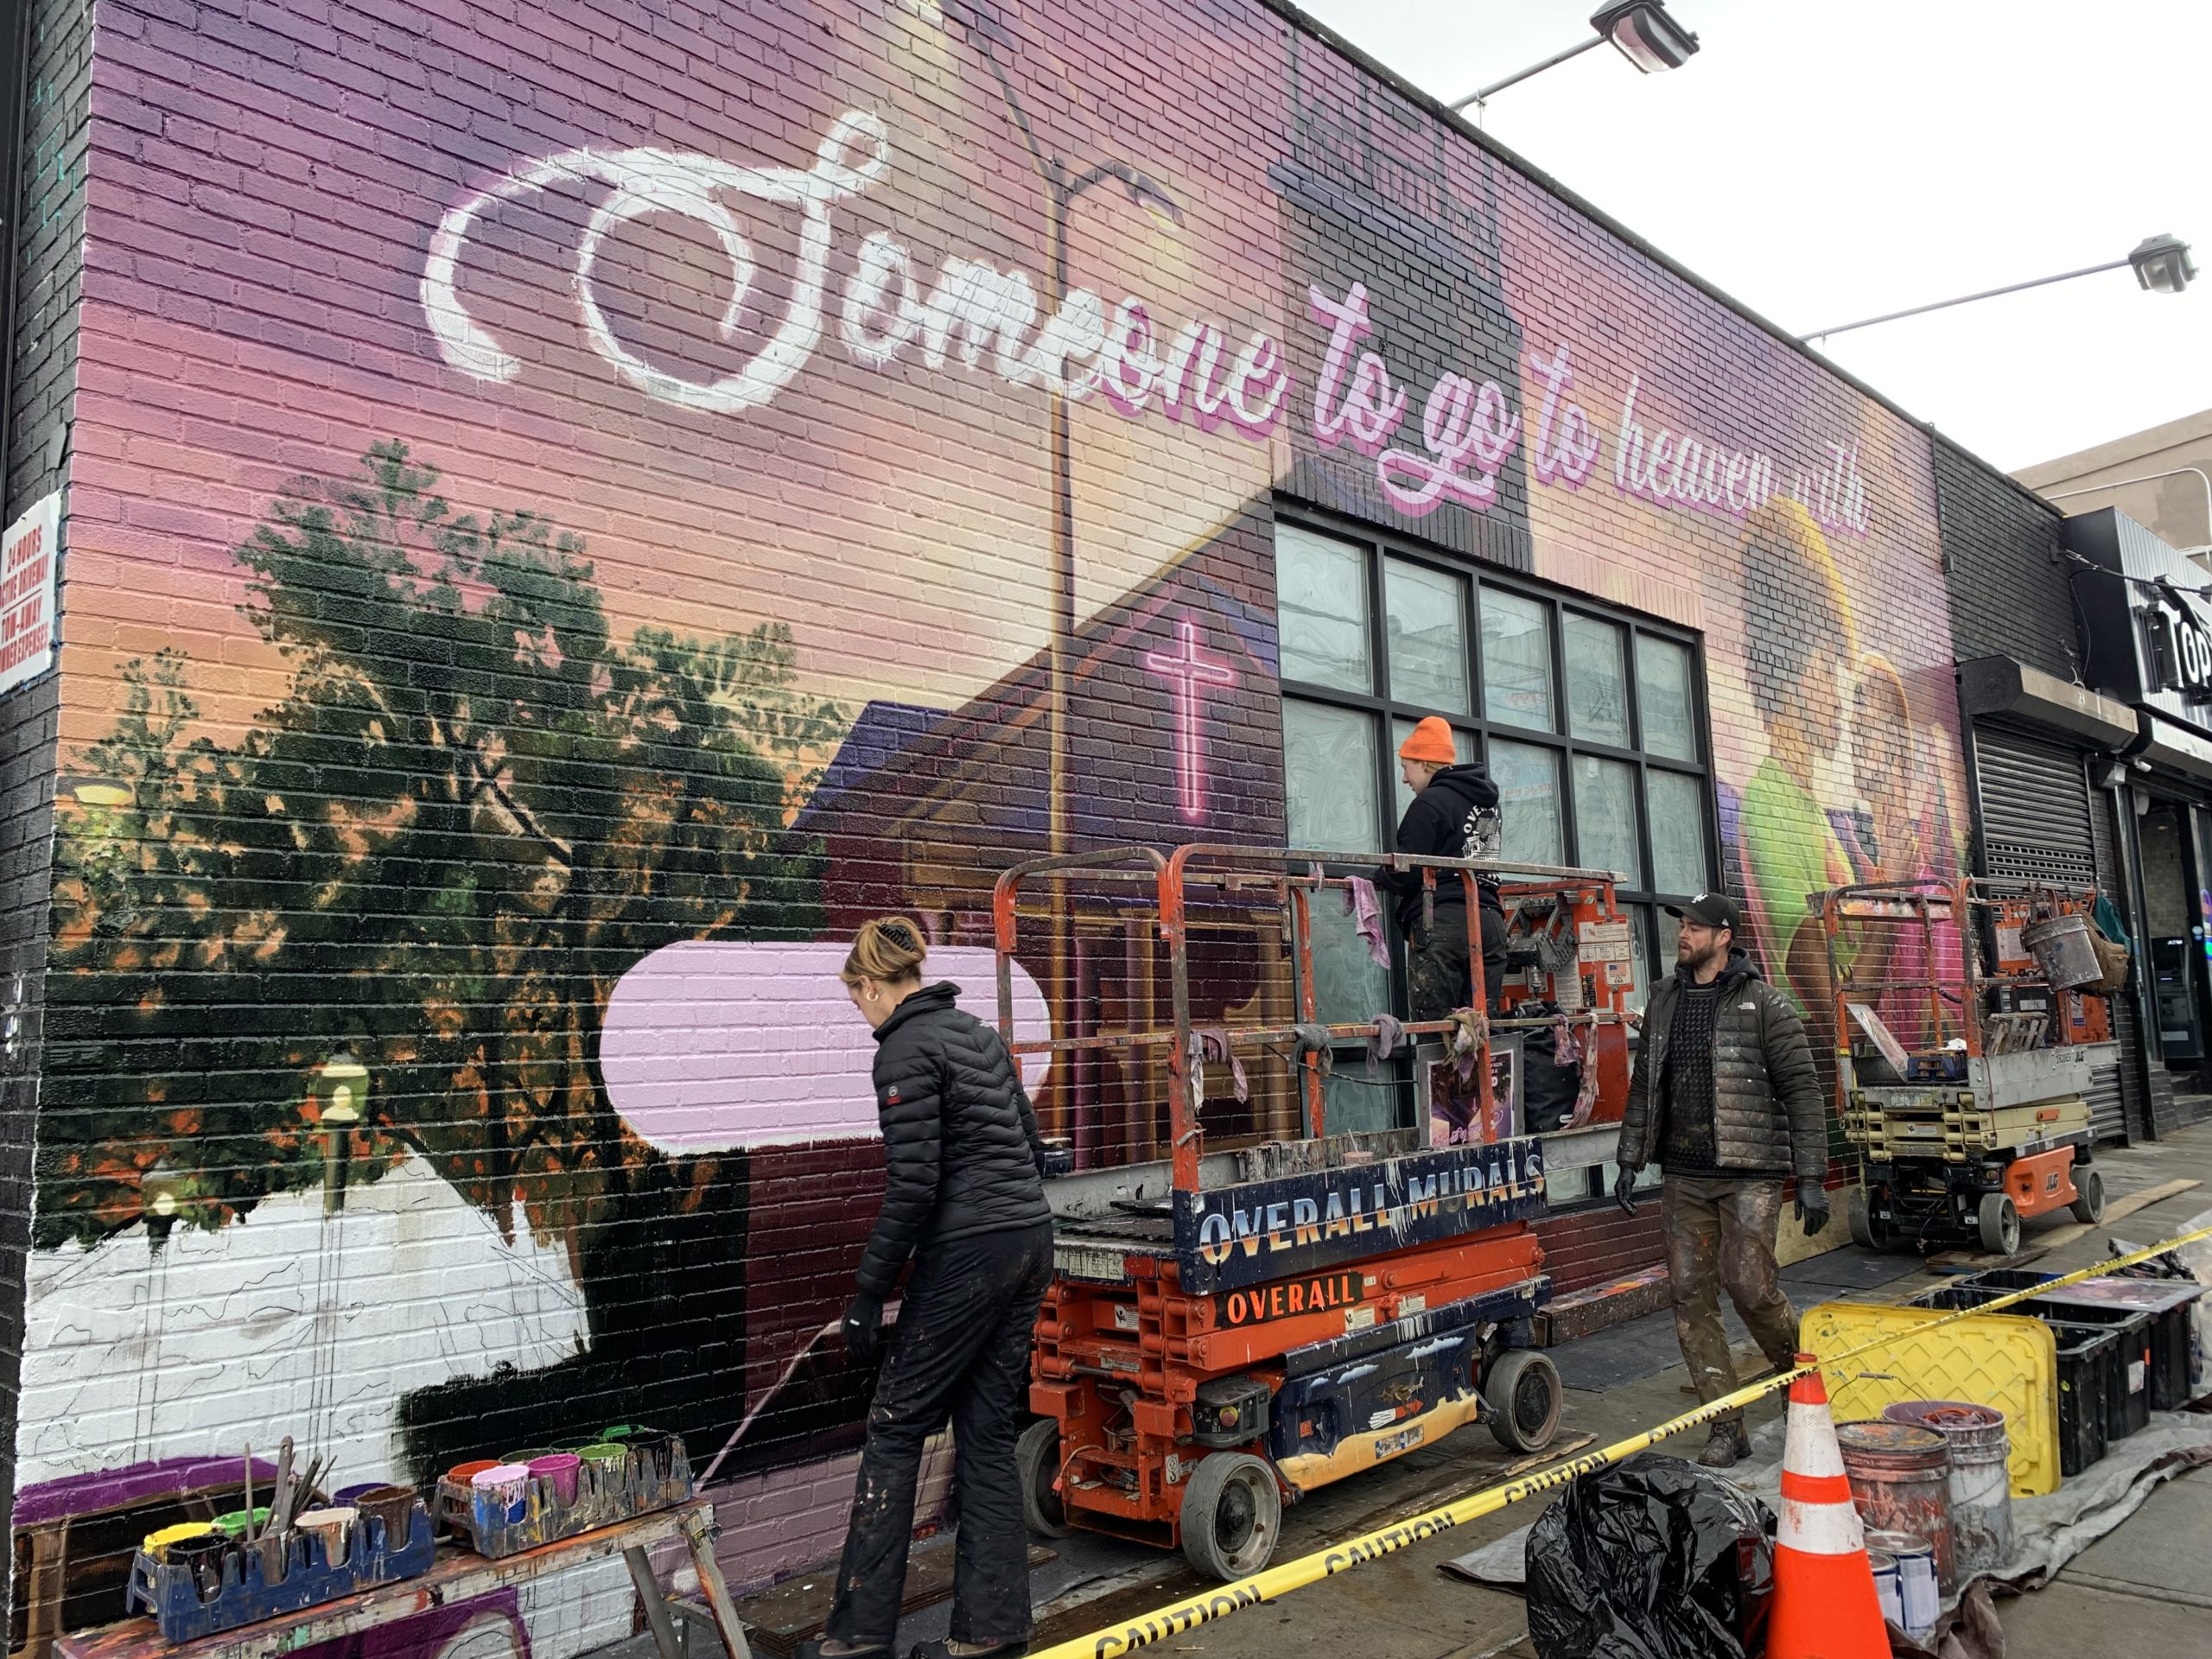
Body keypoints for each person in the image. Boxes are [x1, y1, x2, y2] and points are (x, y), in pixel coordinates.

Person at [808, 918, 1055, 1659]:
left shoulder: (902, 1051)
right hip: (1027, 1241)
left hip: (969, 1255)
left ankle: (858, 1639)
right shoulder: (978, 1035)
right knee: (985, 1432)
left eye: (857, 998)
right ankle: (991, 1633)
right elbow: (1031, 1142)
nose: (861, 1013)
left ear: (872, 985)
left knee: (895, 1426)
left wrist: (866, 1295)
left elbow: (914, 1187)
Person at [1611, 892, 1830, 1469]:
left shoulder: (1766, 1005)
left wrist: (1811, 1176)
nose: (1683, 934)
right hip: (1684, 1173)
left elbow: (1803, 1091)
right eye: (1682, 925)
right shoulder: (1664, 999)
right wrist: (1629, 1159)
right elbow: (1645, 1085)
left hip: (1750, 1173)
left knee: (1751, 1287)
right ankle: (1725, 1425)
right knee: (1689, 1295)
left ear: (1724, 936)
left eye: (1695, 927)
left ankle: (1800, 1383)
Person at [1376, 716, 1507, 1021]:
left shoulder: (1430, 802)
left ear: (1425, 763)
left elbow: (1407, 871)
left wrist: (1379, 876)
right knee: (1480, 1028)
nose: (1405, 779)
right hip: (1490, 921)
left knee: (1435, 1029)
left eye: (1406, 767)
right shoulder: (1489, 805)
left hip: (1444, 920)